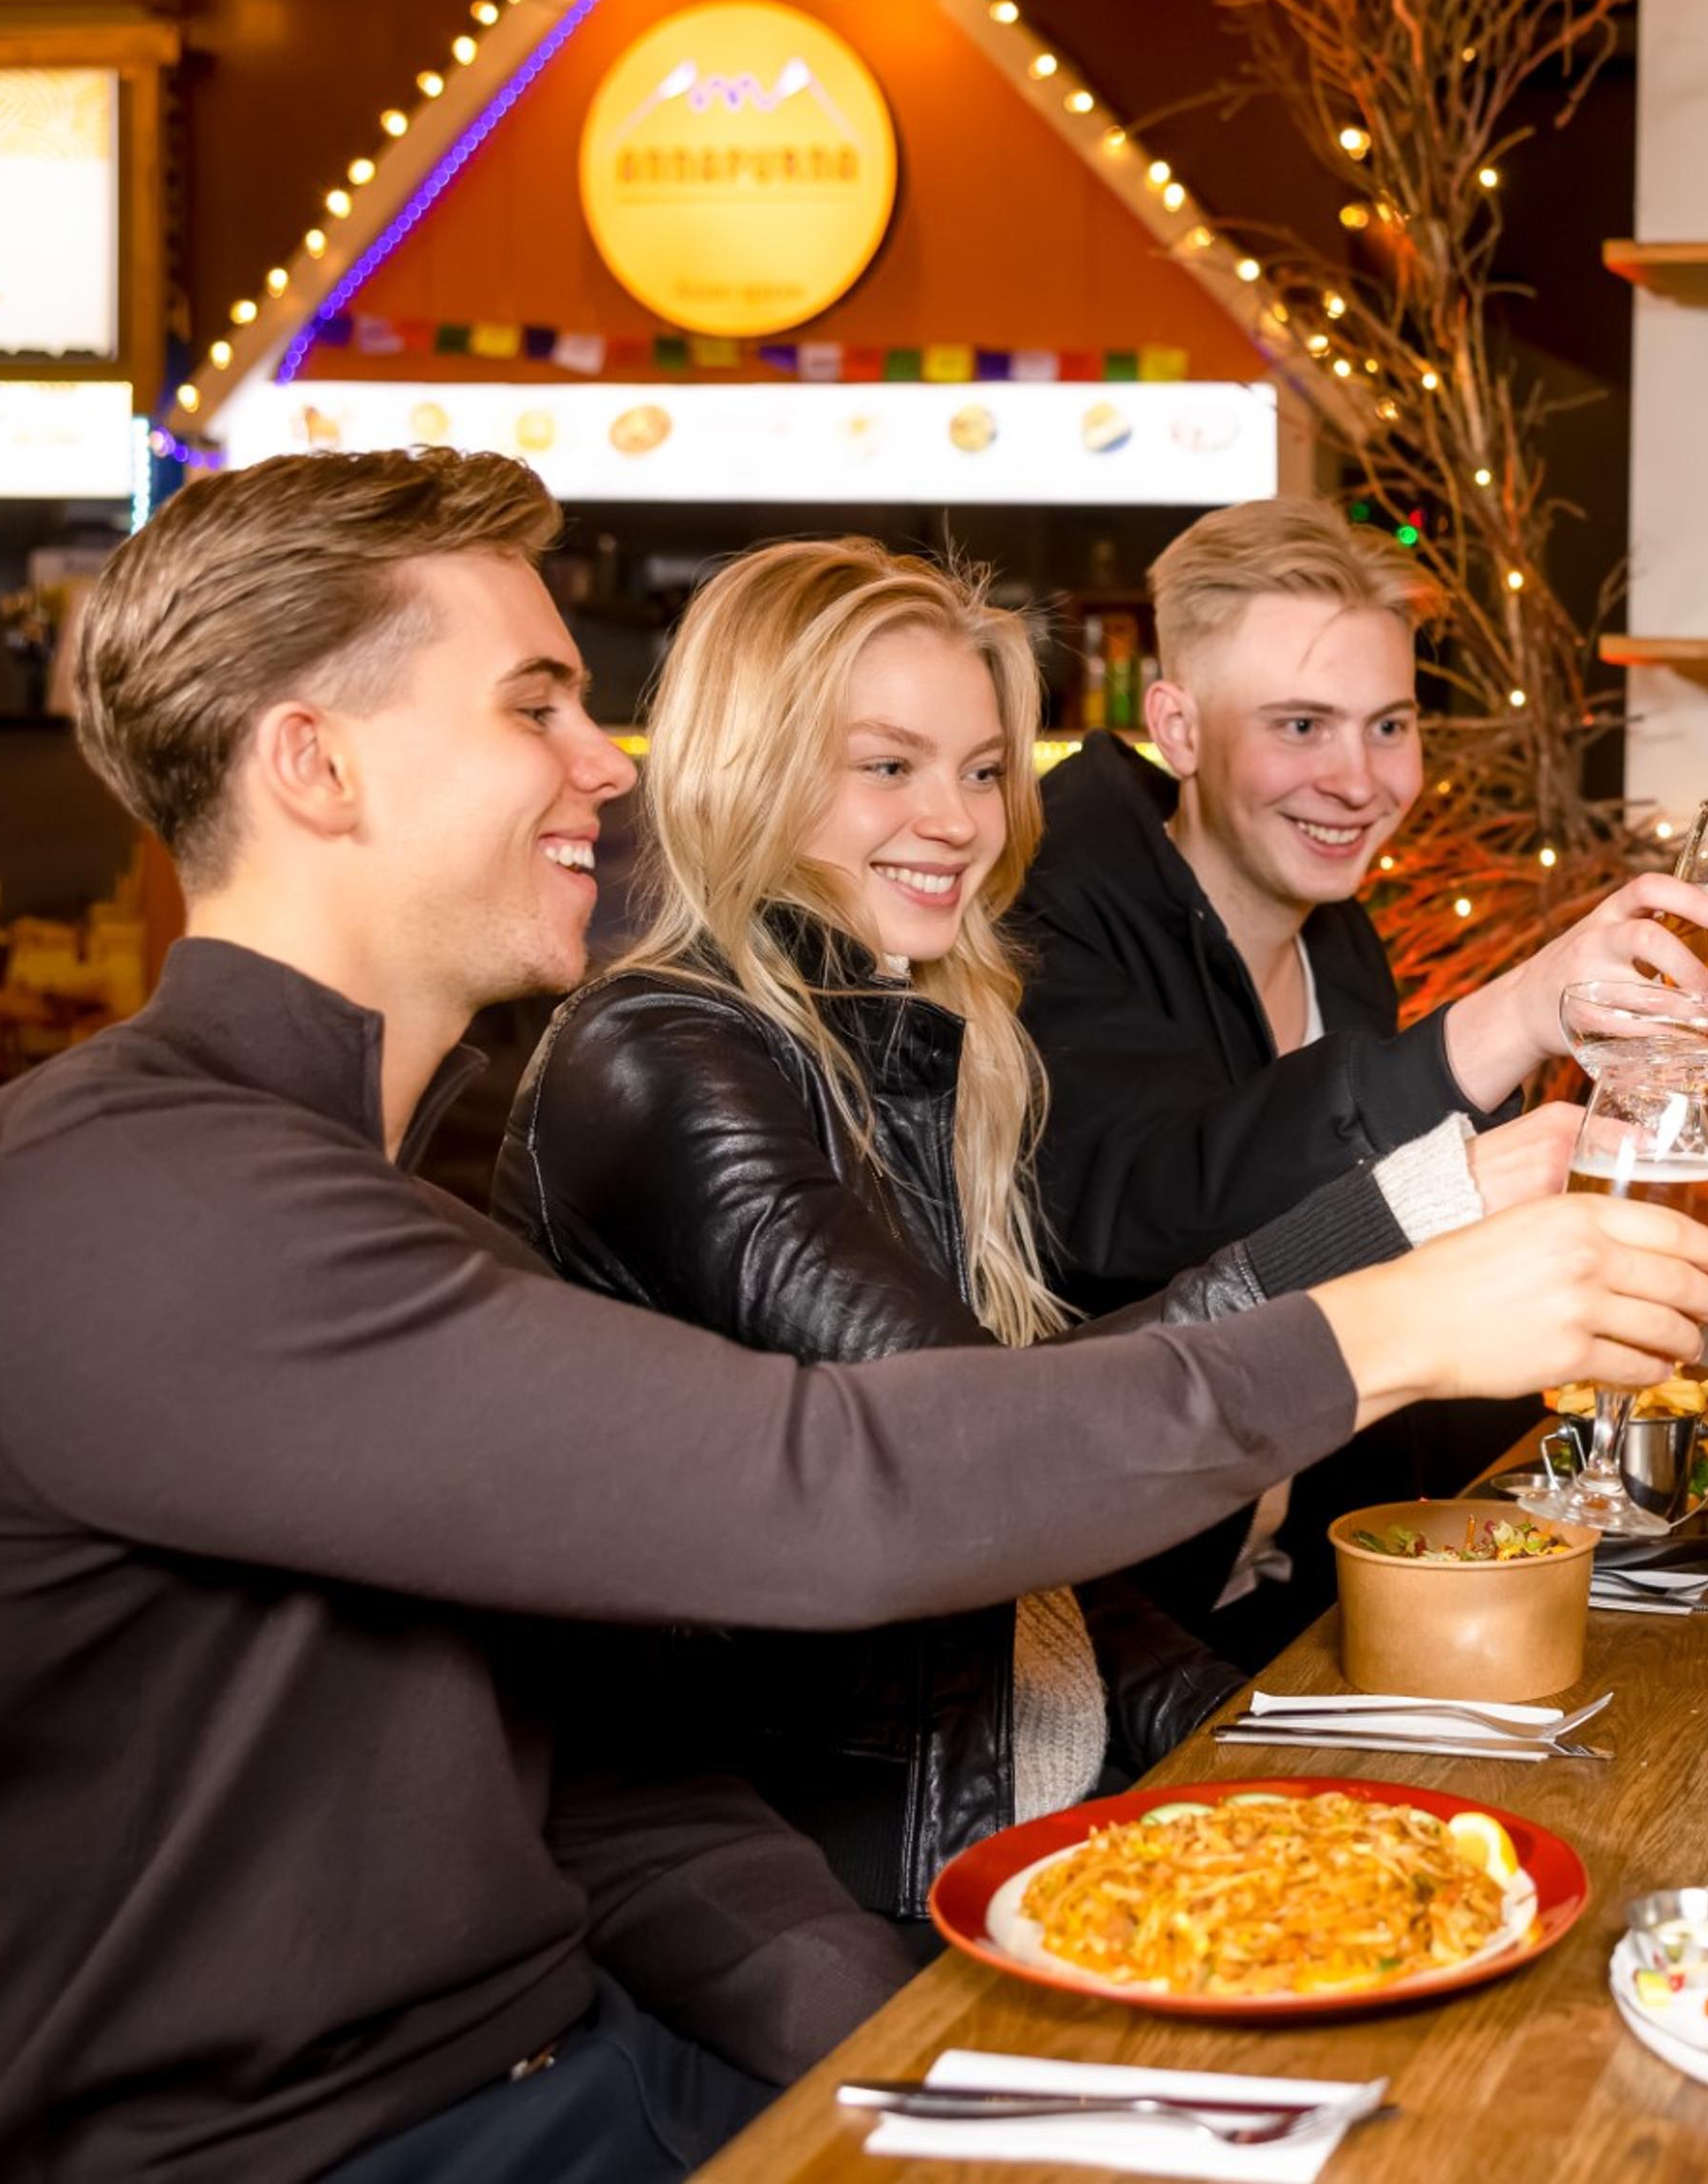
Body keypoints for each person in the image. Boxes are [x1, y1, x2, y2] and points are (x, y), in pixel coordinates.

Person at [0, 450, 1708, 2184]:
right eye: (536, 707)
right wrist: (1396, 1310)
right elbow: (841, 1483)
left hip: (562, 2075)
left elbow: (601, 1776)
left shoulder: (357, 1199)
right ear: (315, 766)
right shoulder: (122, 1206)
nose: (609, 765)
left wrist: (925, 2053)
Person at [495, 538, 1579, 1934]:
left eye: (984, 769)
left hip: (966, 1787)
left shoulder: (922, 1038)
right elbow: (985, 1451)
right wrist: (1416, 1231)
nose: (956, 820)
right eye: (887, 766)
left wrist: (1253, 1747)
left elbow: (1041, 1540)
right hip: (769, 1860)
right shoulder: (669, 1062)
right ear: (746, 765)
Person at [1009, 494, 1708, 1652]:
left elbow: (1376, 1290)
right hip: (1100, 1634)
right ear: (1179, 727)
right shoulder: (1041, 895)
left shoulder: (1336, 943)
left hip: (1297, 1590)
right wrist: (1509, 1015)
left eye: (1388, 726)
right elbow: (1141, 1211)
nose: (1359, 781)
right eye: (1301, 726)